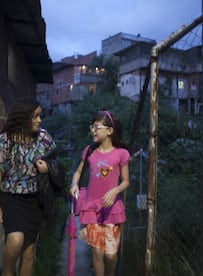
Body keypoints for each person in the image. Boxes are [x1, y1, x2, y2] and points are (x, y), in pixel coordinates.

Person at [0, 99, 62, 276]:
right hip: (11, 198)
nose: (39, 120)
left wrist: (48, 167)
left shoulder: (43, 138)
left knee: (28, 253)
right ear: (23, 117)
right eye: (35, 116)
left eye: (39, 116)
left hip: (35, 200)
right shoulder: (4, 141)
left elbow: (55, 160)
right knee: (15, 240)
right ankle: (7, 272)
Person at [70, 110, 130, 276]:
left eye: (96, 127)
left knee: (110, 256)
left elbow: (126, 181)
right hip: (92, 209)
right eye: (92, 127)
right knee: (97, 252)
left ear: (110, 131)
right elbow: (78, 173)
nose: (92, 130)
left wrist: (115, 190)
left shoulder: (121, 154)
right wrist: (74, 183)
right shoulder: (89, 151)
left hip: (112, 210)